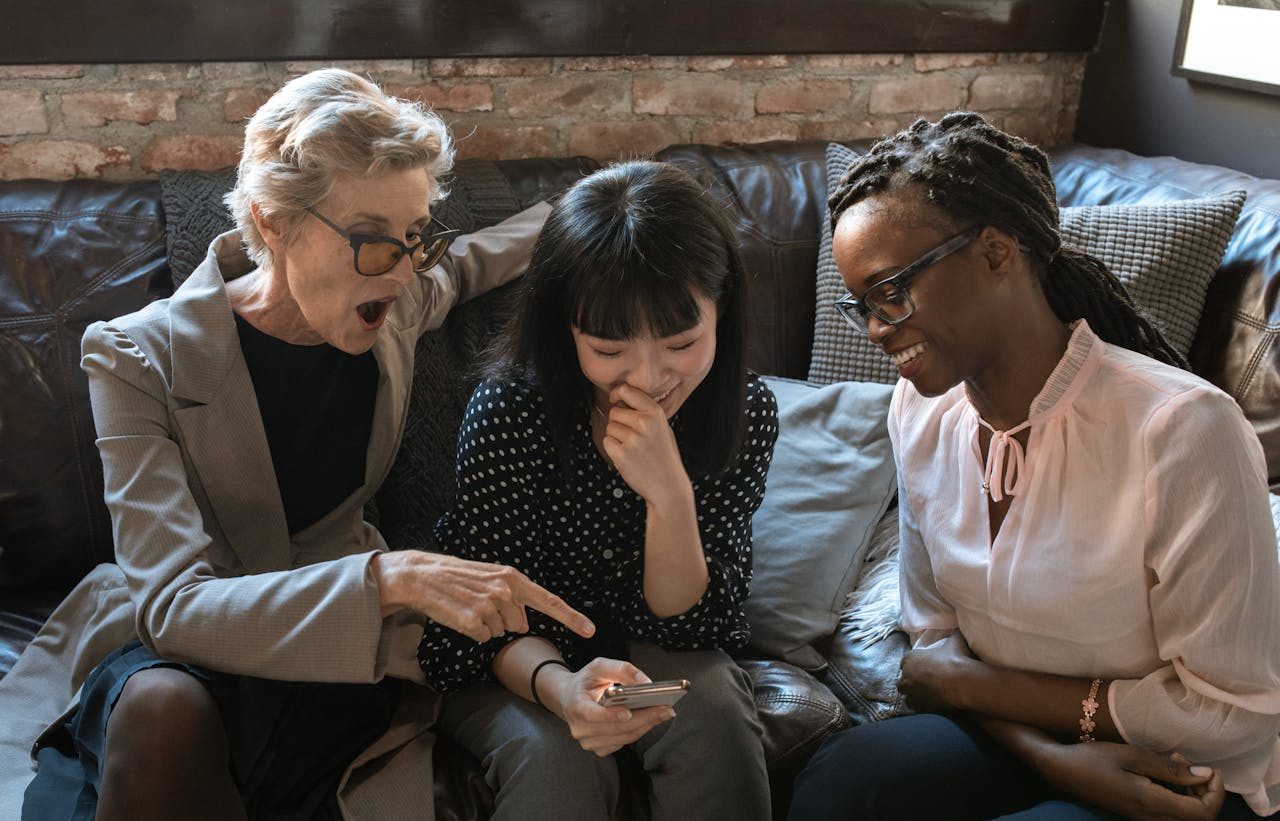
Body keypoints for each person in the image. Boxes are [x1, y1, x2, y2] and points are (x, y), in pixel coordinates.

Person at [9, 68, 594, 821]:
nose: (407, 265)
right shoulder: (133, 358)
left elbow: (476, 258)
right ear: (273, 220)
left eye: (415, 236)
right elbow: (174, 606)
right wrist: (390, 577)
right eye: (374, 242)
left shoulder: (399, 295)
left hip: (333, 649)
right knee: (162, 711)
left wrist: (605, 201)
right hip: (192, 648)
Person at [788, 113, 1280, 821]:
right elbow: (935, 645)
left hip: (1177, 773)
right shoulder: (919, 412)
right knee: (848, 781)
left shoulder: (1181, 429)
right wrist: (1055, 757)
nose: (875, 327)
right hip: (1028, 744)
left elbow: (1233, 713)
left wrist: (979, 692)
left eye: (892, 290)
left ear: (995, 253)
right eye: (859, 304)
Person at [416, 160, 778, 820]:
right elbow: (485, 618)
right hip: (518, 659)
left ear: (720, 313)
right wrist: (563, 688)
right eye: (609, 349)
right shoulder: (509, 410)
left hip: (653, 641)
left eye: (682, 342)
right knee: (559, 762)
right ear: (566, 330)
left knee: (716, 713)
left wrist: (669, 496)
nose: (648, 377)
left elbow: (696, 625)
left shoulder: (742, 410)